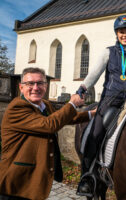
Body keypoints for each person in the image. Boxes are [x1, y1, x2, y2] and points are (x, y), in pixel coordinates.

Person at [76, 15, 126, 196]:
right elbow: (95, 73)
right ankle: (87, 177)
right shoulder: (108, 52)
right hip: (109, 101)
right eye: (122, 32)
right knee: (96, 133)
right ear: (117, 33)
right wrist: (84, 87)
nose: (125, 35)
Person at [0, 67, 95, 200]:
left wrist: (92, 113)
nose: (36, 87)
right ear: (21, 87)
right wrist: (72, 104)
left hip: (36, 179)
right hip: (17, 182)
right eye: (30, 83)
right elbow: (49, 125)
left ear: (46, 86)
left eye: (40, 83)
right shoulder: (17, 108)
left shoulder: (44, 104)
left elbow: (66, 117)